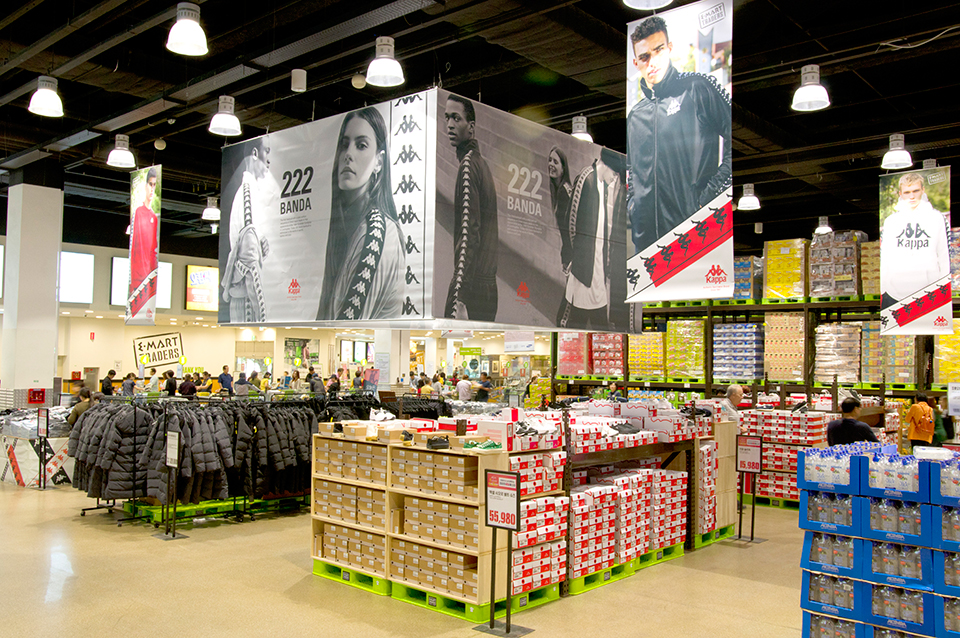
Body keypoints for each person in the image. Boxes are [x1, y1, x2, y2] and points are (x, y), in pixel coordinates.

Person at [627, 15, 732, 256]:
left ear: (670, 48)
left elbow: (733, 137)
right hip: (645, 243)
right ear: (636, 62)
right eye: (644, 57)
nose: (652, 62)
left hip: (692, 234)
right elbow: (631, 170)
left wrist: (709, 197)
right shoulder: (635, 116)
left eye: (658, 50)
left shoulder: (697, 88)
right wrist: (634, 207)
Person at [317, 107, 405, 320]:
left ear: (379, 162)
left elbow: (346, 327)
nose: (348, 154)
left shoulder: (375, 233)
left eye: (361, 145)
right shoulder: (345, 228)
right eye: (344, 145)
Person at [557, 148, 628, 330]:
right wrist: (572, 256)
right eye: (614, 174)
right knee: (575, 317)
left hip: (597, 266)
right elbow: (570, 221)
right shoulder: (586, 179)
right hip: (583, 265)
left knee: (598, 316)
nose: (614, 179)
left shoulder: (602, 186)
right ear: (607, 166)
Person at [443, 94, 498, 321]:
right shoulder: (481, 164)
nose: (450, 124)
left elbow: (469, 234)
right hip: (487, 288)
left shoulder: (468, 166)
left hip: (471, 289)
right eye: (447, 117)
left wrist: (460, 295)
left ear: (471, 127)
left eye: (456, 118)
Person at [221, 135, 280, 322]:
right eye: (266, 151)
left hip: (245, 296)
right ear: (255, 153)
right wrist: (262, 315)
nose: (269, 159)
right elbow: (249, 261)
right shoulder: (248, 195)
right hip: (247, 300)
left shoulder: (250, 193)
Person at [880, 172, 950, 310]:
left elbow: (943, 255)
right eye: (907, 192)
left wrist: (943, 289)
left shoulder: (937, 219)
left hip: (929, 292)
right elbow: (885, 256)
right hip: (894, 293)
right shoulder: (891, 222)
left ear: (922, 190)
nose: (911, 196)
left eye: (915, 191)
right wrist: (884, 289)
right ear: (900, 194)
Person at [128, 167, 160, 319]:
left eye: (154, 185)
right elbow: (133, 247)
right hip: (137, 281)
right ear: (146, 185)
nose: (152, 188)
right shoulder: (138, 212)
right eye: (150, 184)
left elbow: (153, 250)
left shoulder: (154, 217)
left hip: (148, 280)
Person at [548, 146, 574, 268]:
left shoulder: (564, 192)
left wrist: (566, 257)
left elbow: (568, 231)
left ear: (563, 169)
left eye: (555, 162)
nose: (551, 164)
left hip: (572, 256)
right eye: (550, 160)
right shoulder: (563, 189)